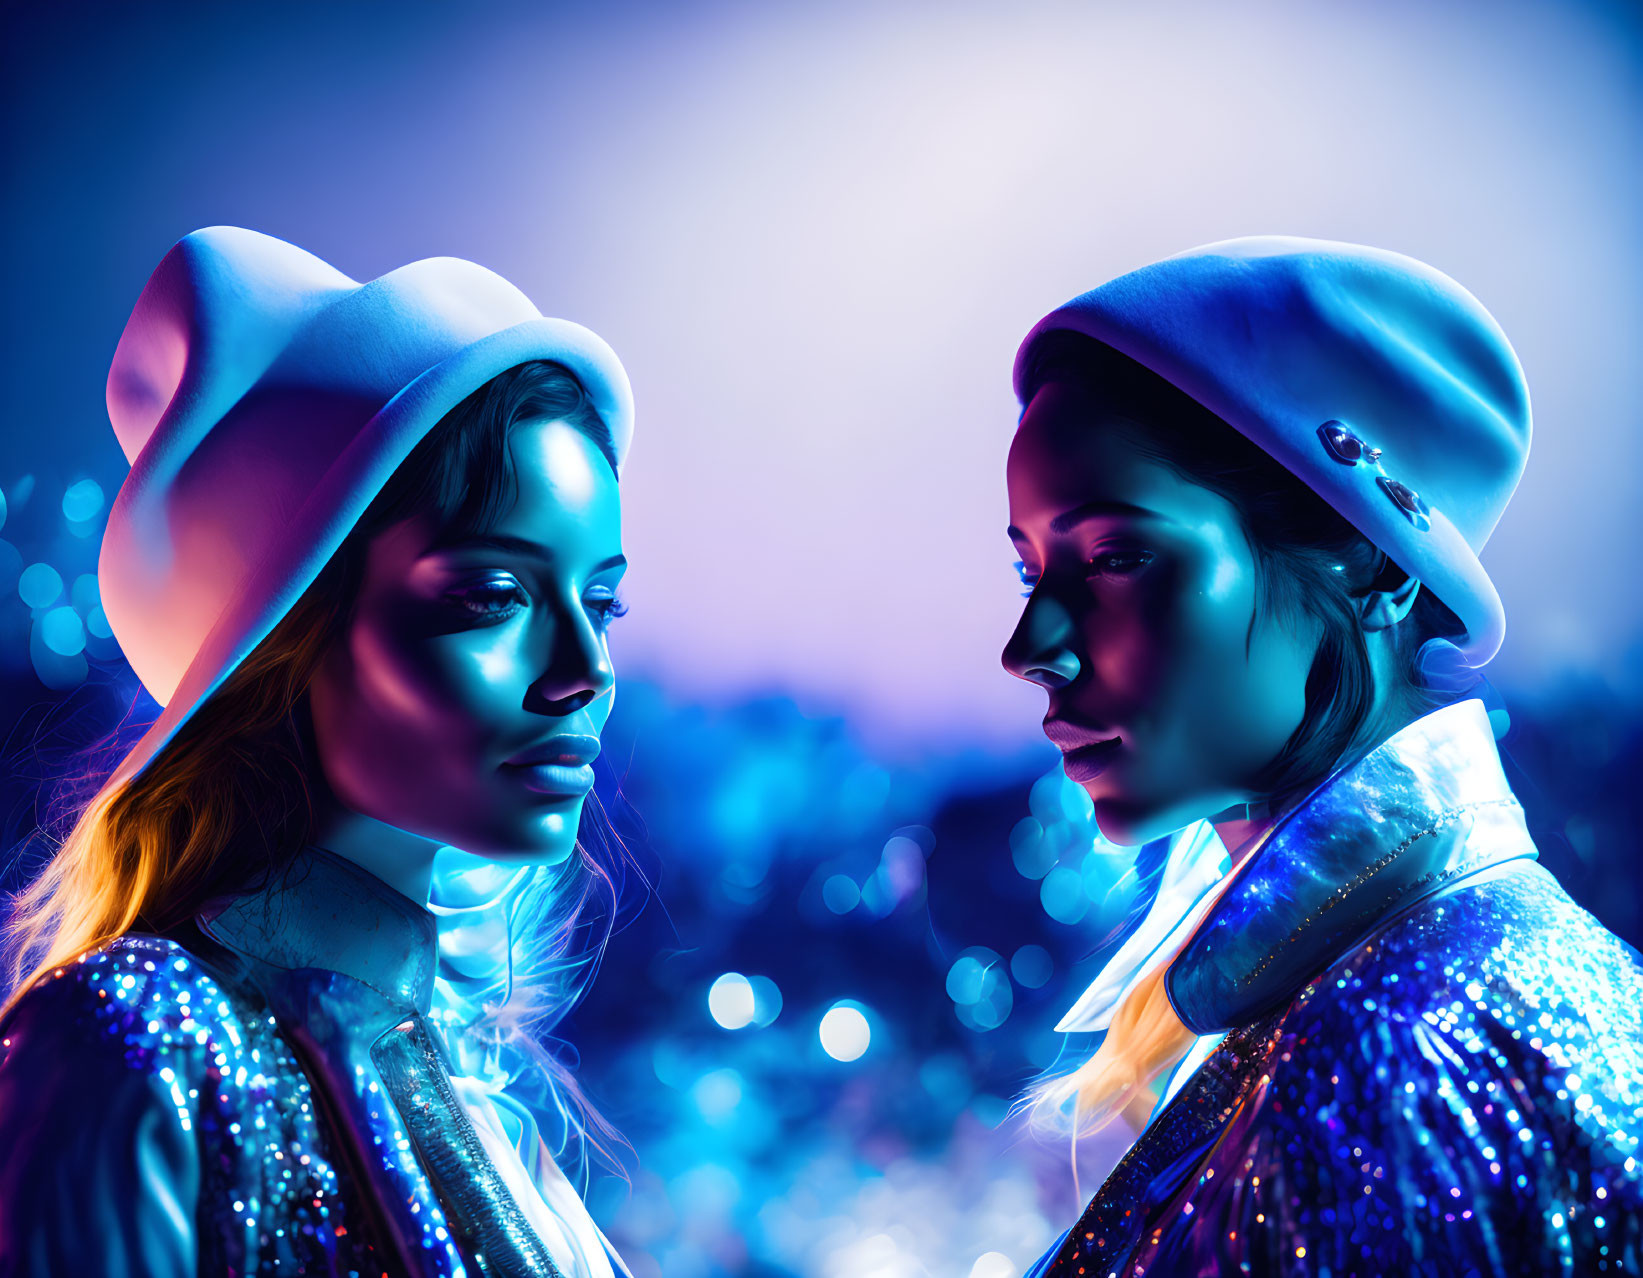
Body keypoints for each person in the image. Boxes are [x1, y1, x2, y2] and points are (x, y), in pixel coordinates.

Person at [0, 226, 638, 1277]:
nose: (585, 666)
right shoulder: (129, 1054)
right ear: (288, 636)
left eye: (604, 602)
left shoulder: (487, 1116)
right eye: (490, 597)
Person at [1001, 237, 1643, 1276]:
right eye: (1025, 568)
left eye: (1116, 557)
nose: (1028, 646)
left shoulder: (1405, 1058)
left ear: (1371, 566)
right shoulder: (1366, 989)